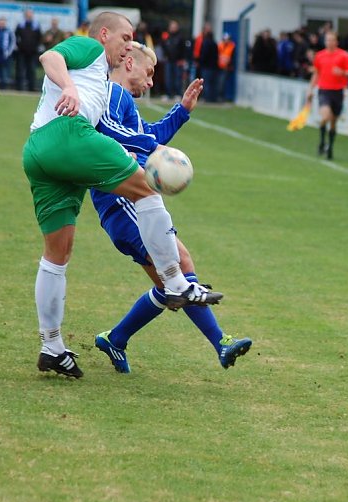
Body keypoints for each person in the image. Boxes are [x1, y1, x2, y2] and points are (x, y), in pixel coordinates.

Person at [22, 12, 222, 378]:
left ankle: (51, 346)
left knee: (57, 254)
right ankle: (176, 280)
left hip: (39, 152)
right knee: (147, 185)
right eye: (125, 36)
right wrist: (67, 85)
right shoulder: (88, 48)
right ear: (104, 34)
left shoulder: (102, 79)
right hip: (67, 135)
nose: (129, 43)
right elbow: (49, 57)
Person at [89, 42, 251, 372]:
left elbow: (146, 133)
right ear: (129, 63)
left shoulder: (125, 104)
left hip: (124, 204)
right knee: (179, 269)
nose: (150, 83)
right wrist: (154, 150)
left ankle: (116, 339)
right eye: (149, 74)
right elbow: (111, 131)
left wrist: (182, 110)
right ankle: (221, 342)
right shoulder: (113, 93)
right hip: (124, 201)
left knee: (171, 284)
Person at [305, 31, 348, 160]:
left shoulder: (344, 55)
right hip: (324, 90)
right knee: (325, 116)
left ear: (336, 41)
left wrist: (343, 72)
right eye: (327, 40)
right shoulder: (320, 56)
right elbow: (316, 74)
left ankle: (330, 147)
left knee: (333, 123)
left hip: (338, 92)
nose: (329, 42)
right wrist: (310, 89)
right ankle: (322, 141)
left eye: (332, 40)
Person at [15, 9, 41, 91]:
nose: (29, 15)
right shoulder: (20, 25)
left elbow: (39, 38)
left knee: (32, 70)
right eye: (28, 14)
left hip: (32, 52)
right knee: (20, 70)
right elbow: (16, 37)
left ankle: (31, 87)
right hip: (21, 52)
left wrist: (35, 47)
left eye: (30, 14)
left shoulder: (36, 26)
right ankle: (19, 87)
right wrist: (20, 46)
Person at [161, 20, 184, 98]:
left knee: (177, 78)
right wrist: (165, 56)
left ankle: (177, 94)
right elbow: (163, 46)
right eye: (171, 27)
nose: (173, 28)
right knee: (168, 78)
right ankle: (168, 94)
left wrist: (182, 59)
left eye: (174, 27)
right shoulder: (166, 36)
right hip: (168, 60)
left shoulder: (180, 37)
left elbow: (183, 48)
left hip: (178, 61)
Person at [216, 32, 235, 101]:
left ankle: (221, 97)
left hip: (226, 67)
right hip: (219, 67)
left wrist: (231, 65)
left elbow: (232, 57)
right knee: (219, 83)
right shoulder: (220, 45)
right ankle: (219, 97)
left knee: (222, 83)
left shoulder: (232, 46)